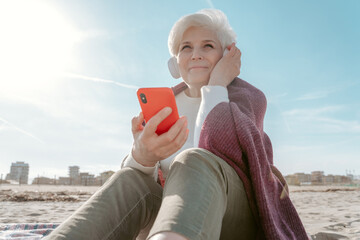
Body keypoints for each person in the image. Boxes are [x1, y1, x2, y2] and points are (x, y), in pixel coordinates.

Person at [45, 9, 308, 240]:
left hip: (233, 215)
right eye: (186, 47)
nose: (195, 55)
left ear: (228, 55)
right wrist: (142, 157)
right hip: (168, 215)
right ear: (175, 62)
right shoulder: (166, 104)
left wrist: (216, 86)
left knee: (193, 158)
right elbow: (142, 183)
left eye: (208, 46)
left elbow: (215, 144)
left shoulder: (248, 98)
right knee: (129, 178)